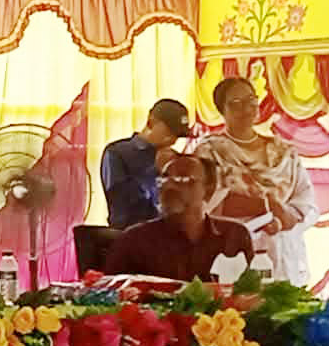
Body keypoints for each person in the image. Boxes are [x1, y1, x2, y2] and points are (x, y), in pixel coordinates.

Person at [191, 77, 319, 285]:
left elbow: (305, 201)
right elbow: (206, 204)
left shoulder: (284, 151)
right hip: (234, 250)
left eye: (251, 100)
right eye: (236, 103)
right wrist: (266, 206)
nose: (246, 108)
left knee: (284, 302)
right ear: (222, 110)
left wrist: (284, 217)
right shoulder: (210, 152)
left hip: (283, 248)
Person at [104, 154, 253, 281]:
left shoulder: (234, 235)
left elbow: (251, 293)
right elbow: (109, 297)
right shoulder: (134, 241)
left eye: (183, 179)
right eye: (164, 179)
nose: (170, 186)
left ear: (209, 189)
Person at [101, 98, 190, 228]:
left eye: (177, 135)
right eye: (169, 132)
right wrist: (156, 171)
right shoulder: (117, 153)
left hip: (167, 232)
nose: (173, 140)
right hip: (128, 233)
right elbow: (121, 203)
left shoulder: (174, 159)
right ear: (151, 122)